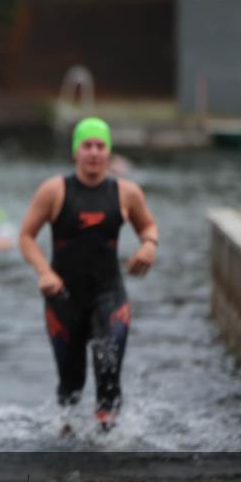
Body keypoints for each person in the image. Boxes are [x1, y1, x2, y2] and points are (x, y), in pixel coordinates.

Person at [18, 117, 158, 433]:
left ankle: (108, 446)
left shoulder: (126, 193)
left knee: (109, 375)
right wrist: (45, 273)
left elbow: (148, 225)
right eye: (87, 146)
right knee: (71, 383)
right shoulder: (55, 191)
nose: (94, 152)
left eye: (100, 146)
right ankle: (67, 436)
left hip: (110, 296)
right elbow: (26, 237)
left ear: (109, 152)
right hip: (63, 299)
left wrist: (149, 244)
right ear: (75, 152)